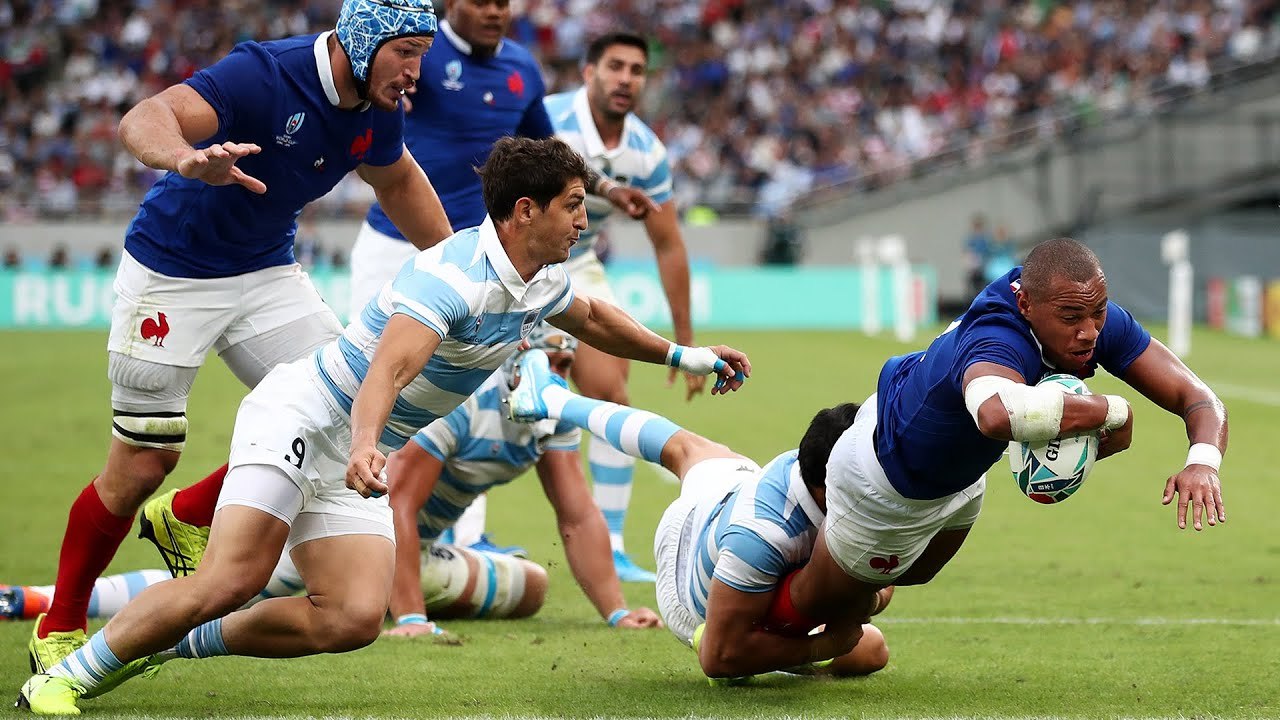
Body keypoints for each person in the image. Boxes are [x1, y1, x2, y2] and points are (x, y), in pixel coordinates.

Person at [18, 135, 748, 715]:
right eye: (574, 206)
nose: (584, 221)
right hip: (306, 418)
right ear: (526, 211)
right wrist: (367, 445)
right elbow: (387, 373)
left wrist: (683, 354)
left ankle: (165, 643)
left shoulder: (542, 278)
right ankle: (61, 679)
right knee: (232, 579)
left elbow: (592, 319)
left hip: (357, 450)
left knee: (352, 618)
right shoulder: (452, 276)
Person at [26, 0, 454, 677]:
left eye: (422, 56)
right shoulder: (264, 74)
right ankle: (60, 623)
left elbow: (397, 180)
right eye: (406, 52)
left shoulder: (379, 105)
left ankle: (189, 515)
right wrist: (185, 158)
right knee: (142, 464)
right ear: (362, 40)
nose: (415, 73)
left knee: (346, 408)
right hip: (171, 272)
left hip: (265, 271)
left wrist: (458, 273)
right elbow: (144, 117)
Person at [781, 237, 1228, 643]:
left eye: (1099, 311)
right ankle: (758, 608)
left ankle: (834, 578)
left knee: (912, 576)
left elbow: (1197, 397)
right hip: (884, 474)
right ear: (1026, 304)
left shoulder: (1078, 308)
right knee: (817, 604)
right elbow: (996, 414)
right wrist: (1114, 411)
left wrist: (1203, 462)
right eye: (1072, 318)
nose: (1090, 330)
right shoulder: (998, 335)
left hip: (960, 470)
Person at [343, 0, 656, 555]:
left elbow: (553, 154)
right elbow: (363, 86)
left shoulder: (522, 67)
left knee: (476, 389)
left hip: (477, 257)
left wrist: (607, 189)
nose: (494, 11)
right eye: (480, 1)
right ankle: (355, 524)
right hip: (395, 245)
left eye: (502, 2)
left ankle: (462, 538)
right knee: (368, 380)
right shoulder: (419, 55)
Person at [505, 350, 892, 680]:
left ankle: (551, 398)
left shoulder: (820, 463)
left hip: (741, 514)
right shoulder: (762, 534)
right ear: (831, 481)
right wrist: (823, 646)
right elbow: (716, 658)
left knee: (870, 647)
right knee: (747, 645)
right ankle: (551, 398)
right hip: (688, 576)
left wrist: (869, 597)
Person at [383, 324, 661, 636]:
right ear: (514, 359)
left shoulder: (555, 417)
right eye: (544, 363)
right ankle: (373, 593)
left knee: (531, 586)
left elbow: (578, 517)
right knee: (373, 592)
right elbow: (396, 502)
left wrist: (618, 613)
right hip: (368, 540)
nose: (553, 377)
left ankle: (382, 594)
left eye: (564, 365)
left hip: (418, 549)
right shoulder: (462, 398)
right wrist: (412, 619)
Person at [543, 31, 700, 582]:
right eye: (615, 66)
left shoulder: (647, 153)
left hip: (578, 263)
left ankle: (610, 544)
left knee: (610, 390)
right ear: (589, 72)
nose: (626, 79)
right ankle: (464, 536)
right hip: (511, 257)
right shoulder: (547, 118)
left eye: (636, 70)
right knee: (483, 397)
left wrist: (686, 343)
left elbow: (668, 244)